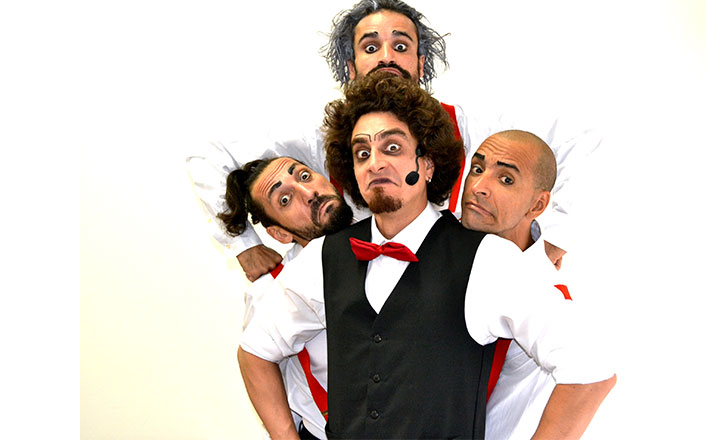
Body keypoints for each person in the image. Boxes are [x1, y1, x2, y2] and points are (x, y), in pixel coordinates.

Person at [239, 73, 614, 439]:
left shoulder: (488, 259)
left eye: (392, 148)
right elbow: (255, 351)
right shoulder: (323, 257)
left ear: (428, 163)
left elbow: (590, 372)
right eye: (362, 153)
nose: (375, 163)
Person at [186, 0, 601, 282]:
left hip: (457, 323)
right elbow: (207, 155)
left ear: (420, 63)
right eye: (371, 47)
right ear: (351, 66)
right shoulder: (318, 138)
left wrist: (554, 238)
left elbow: (579, 135)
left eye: (400, 46)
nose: (386, 56)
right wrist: (242, 246)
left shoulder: (468, 127)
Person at [218, 156, 352, 439]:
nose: (308, 193)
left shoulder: (386, 229)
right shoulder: (271, 289)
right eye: (285, 200)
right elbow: (256, 359)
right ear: (279, 233)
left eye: (304, 176)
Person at [462, 129, 576, 438]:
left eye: (506, 179)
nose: (479, 187)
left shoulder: (544, 291)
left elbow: (590, 377)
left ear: (537, 205)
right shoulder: (440, 246)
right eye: (477, 169)